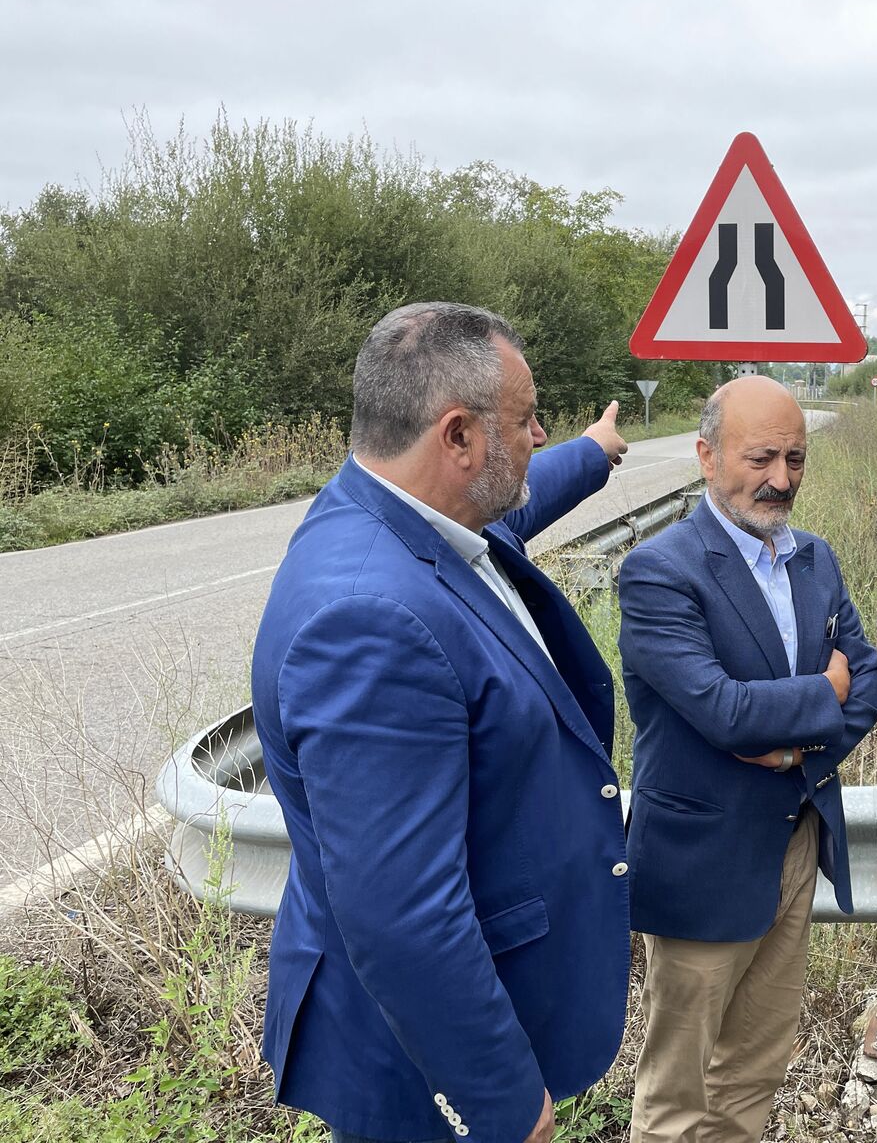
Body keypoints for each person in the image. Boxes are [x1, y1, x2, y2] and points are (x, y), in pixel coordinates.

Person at [253, 302, 633, 1143]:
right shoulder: (369, 618)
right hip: (423, 1076)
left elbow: (518, 509)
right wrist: (500, 1101)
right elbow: (403, 913)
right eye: (527, 420)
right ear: (457, 436)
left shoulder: (407, 517)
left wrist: (594, 456)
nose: (540, 434)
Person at [618, 376, 877, 1143]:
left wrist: (801, 736)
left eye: (796, 458)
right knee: (679, 1086)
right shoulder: (660, 571)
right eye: (761, 457)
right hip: (705, 856)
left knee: (756, 1066)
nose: (781, 479)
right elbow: (721, 710)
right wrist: (820, 695)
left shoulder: (816, 559)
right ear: (706, 456)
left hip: (793, 838)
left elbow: (866, 684)